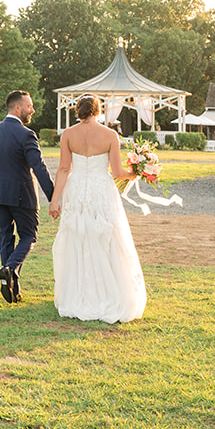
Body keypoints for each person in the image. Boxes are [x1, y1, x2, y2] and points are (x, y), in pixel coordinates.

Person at [47, 94, 148, 323]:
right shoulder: (110, 135)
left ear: (77, 111)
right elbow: (118, 172)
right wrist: (137, 173)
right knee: (106, 237)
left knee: (79, 236)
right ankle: (108, 292)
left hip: (76, 189)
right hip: (101, 190)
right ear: (98, 110)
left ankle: (79, 293)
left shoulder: (68, 135)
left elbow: (63, 169)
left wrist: (55, 201)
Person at [0, 90, 55, 304]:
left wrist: (1, 177)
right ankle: (9, 269)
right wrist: (53, 196)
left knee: (5, 240)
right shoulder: (26, 134)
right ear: (18, 108)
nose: (33, 110)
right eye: (29, 106)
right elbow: (38, 167)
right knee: (29, 236)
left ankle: (12, 290)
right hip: (22, 195)